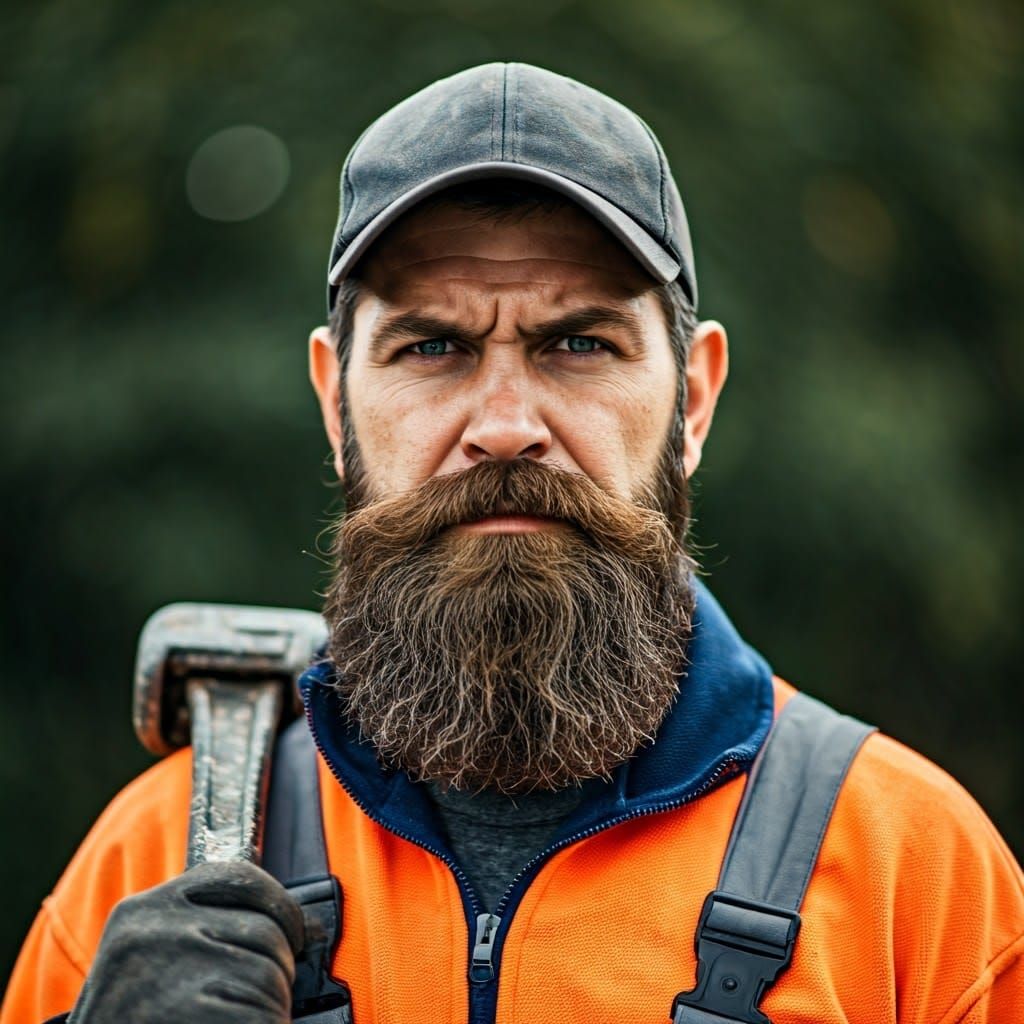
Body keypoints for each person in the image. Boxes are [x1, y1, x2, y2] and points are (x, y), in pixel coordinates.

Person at [3, 62, 1022, 1024]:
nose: (502, 424)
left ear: (693, 402)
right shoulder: (150, 866)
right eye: (431, 346)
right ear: (334, 405)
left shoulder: (918, 879)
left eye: (578, 343)